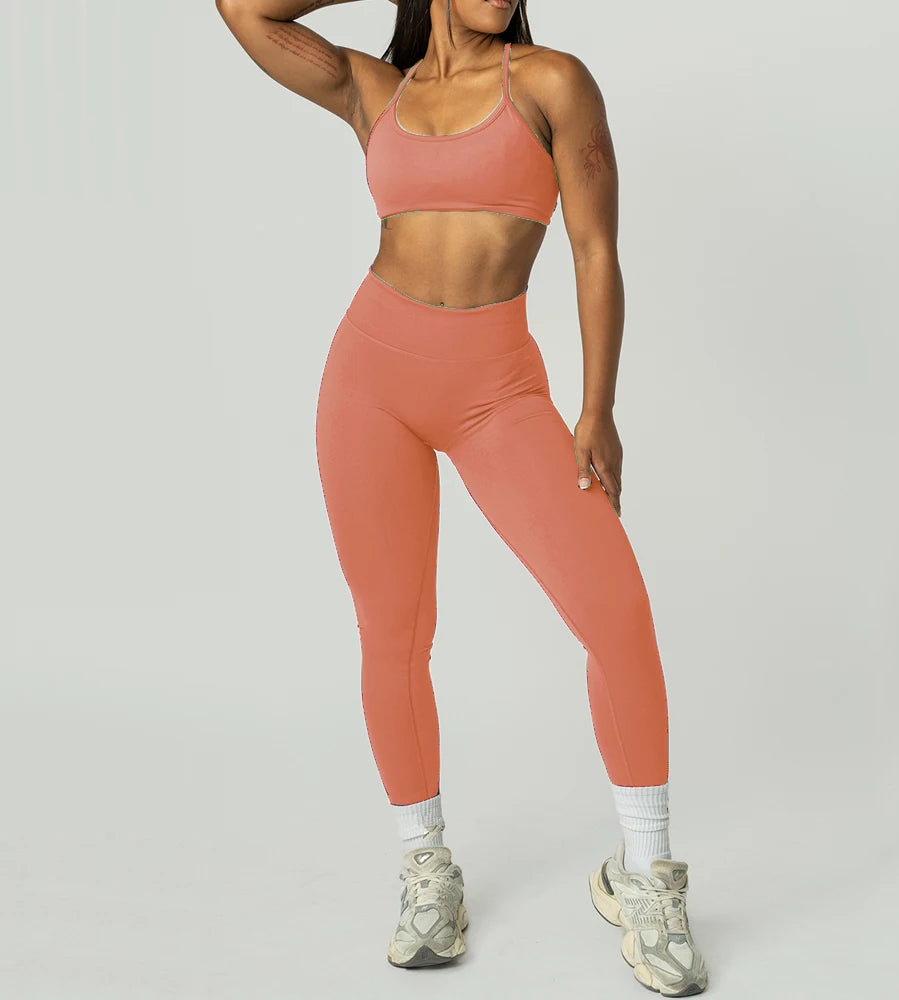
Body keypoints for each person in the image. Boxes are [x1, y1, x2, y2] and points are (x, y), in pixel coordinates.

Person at [216, 0, 709, 994]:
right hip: (370, 381)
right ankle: (426, 869)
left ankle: (646, 875)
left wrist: (597, 406)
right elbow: (243, 9)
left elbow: (594, 250)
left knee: (615, 612)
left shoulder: (551, 82)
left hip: (498, 393)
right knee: (395, 633)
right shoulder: (375, 90)